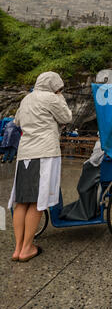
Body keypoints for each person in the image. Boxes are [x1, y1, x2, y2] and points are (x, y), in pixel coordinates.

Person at [8, 72, 72, 262]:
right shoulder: (53, 98)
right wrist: (59, 96)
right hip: (44, 153)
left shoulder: (27, 99)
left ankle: (18, 248)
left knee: (22, 201)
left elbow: (17, 121)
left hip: (25, 154)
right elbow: (67, 117)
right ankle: (27, 248)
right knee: (37, 201)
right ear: (55, 86)